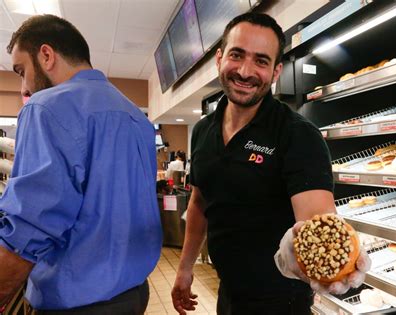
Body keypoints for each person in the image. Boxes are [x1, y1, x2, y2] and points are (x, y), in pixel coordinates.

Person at [171, 12, 370, 315]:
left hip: (281, 302)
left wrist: (336, 265)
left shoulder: (297, 135)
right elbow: (199, 202)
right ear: (220, 58)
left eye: (261, 61)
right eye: (237, 55)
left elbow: (318, 226)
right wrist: (185, 269)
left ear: (276, 71)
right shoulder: (203, 130)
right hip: (228, 293)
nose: (245, 71)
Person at [0, 15, 162, 314]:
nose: (24, 87)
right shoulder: (139, 119)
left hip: (78, 304)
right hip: (134, 295)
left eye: (22, 71)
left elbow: (28, 231)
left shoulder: (45, 107)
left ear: (46, 55)